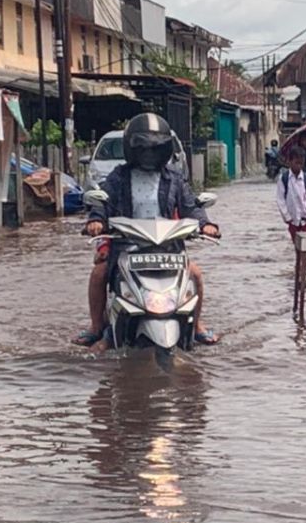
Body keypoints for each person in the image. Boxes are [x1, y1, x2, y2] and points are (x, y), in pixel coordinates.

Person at [76, 113, 221, 348]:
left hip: (167, 247)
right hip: (127, 247)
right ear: (132, 149)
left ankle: (196, 326)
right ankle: (96, 326)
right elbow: (102, 202)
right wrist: (97, 221)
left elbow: (190, 206)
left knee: (195, 274)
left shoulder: (174, 179)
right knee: (99, 274)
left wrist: (206, 224)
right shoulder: (118, 177)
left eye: (155, 149)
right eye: (143, 149)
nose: (149, 154)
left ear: (164, 150)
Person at [276, 146, 306, 245]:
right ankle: (299, 260)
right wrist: (287, 217)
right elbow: (280, 200)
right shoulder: (284, 179)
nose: (299, 166)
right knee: (297, 246)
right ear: (290, 162)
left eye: (301, 163)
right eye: (296, 163)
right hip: (293, 221)